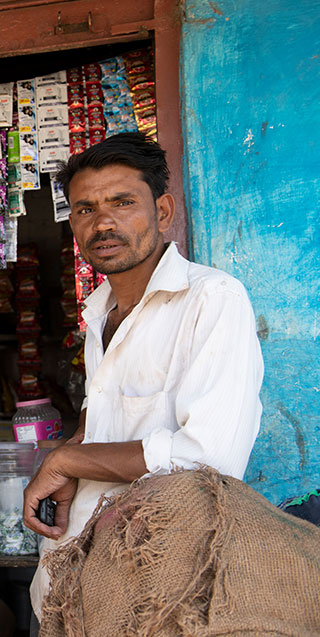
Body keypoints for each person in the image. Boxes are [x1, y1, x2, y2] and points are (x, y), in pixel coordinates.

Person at [23, 132, 263, 617]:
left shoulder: (212, 299)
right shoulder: (100, 314)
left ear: (164, 211)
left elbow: (208, 457)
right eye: (85, 209)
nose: (103, 222)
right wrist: (73, 448)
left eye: (122, 202)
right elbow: (109, 416)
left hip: (159, 588)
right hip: (75, 580)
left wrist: (66, 463)